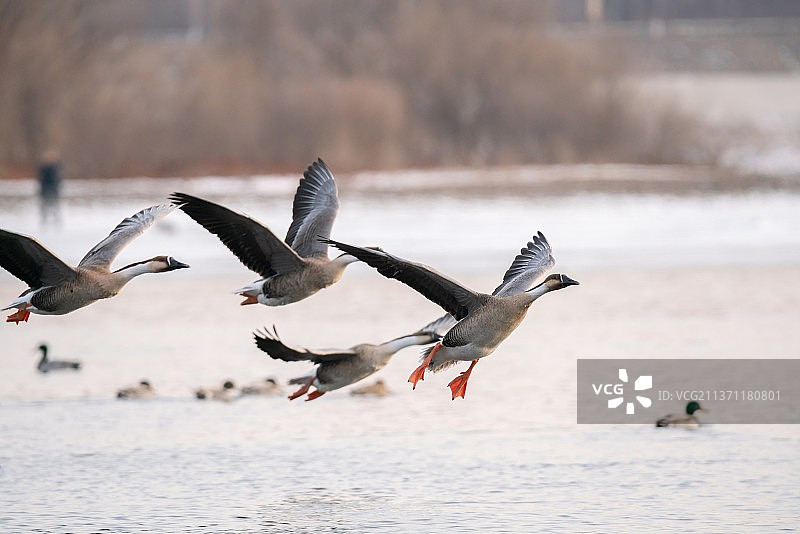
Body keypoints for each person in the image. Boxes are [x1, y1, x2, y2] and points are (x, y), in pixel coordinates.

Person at [38, 148, 61, 224]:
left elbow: (57, 179)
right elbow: (41, 179)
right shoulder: (43, 167)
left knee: (55, 206)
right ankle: (44, 220)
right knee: (44, 206)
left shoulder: (55, 167)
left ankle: (56, 220)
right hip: (45, 190)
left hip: (53, 190)